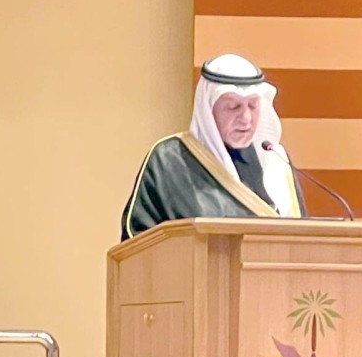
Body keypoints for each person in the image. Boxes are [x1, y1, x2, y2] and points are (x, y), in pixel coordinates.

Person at [120, 53, 306, 241]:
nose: (246, 118)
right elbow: (138, 241)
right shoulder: (168, 160)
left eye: (253, 105)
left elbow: (300, 242)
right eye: (232, 106)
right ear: (208, 110)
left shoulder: (275, 161)